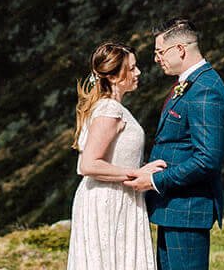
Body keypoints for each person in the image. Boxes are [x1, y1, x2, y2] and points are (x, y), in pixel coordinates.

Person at [125, 18, 224, 270]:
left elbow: (207, 160)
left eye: (160, 52)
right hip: (174, 209)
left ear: (180, 49)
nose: (156, 58)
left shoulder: (206, 90)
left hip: (187, 210)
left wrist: (154, 181)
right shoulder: (191, 82)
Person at [68, 42, 166, 270]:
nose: (138, 72)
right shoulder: (109, 110)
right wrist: (136, 173)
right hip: (108, 200)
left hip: (117, 196)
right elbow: (88, 164)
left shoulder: (113, 108)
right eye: (131, 69)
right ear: (112, 77)